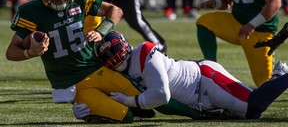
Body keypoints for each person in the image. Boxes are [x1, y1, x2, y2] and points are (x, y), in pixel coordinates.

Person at [5, 0, 153, 123]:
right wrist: (30, 53)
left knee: (147, 97)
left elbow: (115, 10)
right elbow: (11, 52)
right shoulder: (32, 11)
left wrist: (101, 31)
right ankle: (93, 113)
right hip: (71, 82)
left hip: (97, 69)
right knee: (126, 116)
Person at [87, 30, 288, 120]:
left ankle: (282, 76)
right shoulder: (117, 73)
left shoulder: (144, 54)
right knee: (251, 115)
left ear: (126, 45)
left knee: (254, 105)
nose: (115, 59)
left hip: (205, 79)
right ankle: (278, 76)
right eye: (109, 57)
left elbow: (161, 95)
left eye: (116, 51)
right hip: (199, 100)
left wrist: (129, 101)